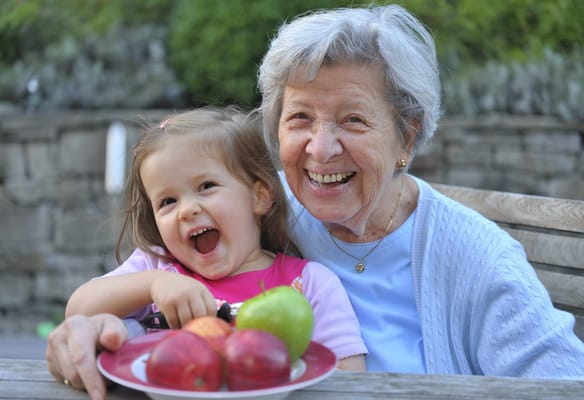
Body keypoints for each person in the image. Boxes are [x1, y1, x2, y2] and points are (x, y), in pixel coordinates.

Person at [47, 3, 584, 398]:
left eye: (352, 119)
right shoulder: (243, 213)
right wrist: (90, 330)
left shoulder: (478, 259)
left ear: (407, 135)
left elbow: (564, 385)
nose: (320, 149)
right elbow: (133, 296)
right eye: (300, 118)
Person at [58, 107, 366, 387]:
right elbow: (79, 309)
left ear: (259, 196)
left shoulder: (310, 283)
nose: (187, 210)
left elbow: (349, 376)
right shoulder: (157, 268)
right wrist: (154, 284)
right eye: (167, 201)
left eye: (206, 187)